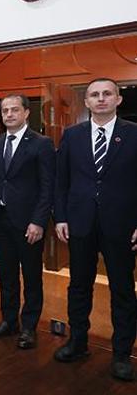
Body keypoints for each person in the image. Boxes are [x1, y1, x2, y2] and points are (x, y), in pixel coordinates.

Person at [53, 78, 137, 381]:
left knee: (122, 290)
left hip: (121, 225)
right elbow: (61, 181)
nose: (101, 99)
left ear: (118, 99)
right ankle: (77, 343)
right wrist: (61, 217)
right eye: (94, 95)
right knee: (79, 286)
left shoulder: (134, 134)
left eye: (107, 94)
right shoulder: (72, 135)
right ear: (86, 102)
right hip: (80, 223)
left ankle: (122, 354)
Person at [0, 94, 54, 350]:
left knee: (31, 277)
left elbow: (47, 187)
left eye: (14, 110)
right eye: (5, 111)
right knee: (6, 275)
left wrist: (39, 221)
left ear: (26, 113)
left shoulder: (41, 144)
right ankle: (9, 321)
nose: (9, 114)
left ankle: (29, 327)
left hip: (28, 224)